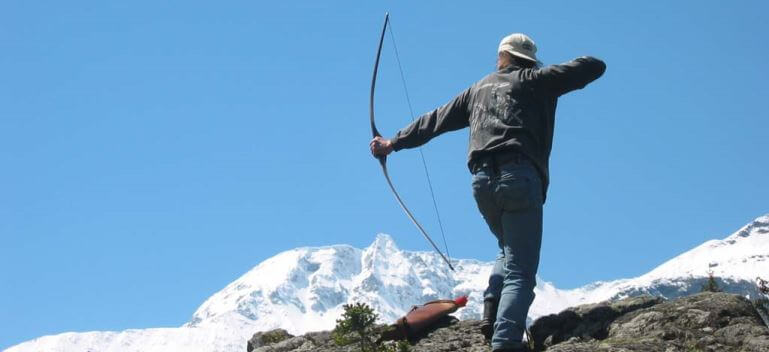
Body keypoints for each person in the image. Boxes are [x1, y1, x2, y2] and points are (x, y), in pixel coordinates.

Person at [370, 33, 605, 352]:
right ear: (528, 60)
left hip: (481, 182)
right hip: (519, 175)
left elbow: (434, 120)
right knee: (521, 269)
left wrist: (392, 143)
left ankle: (492, 310)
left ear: (503, 57)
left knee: (508, 246)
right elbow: (594, 66)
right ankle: (506, 341)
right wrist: (544, 73)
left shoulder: (477, 89)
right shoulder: (536, 79)